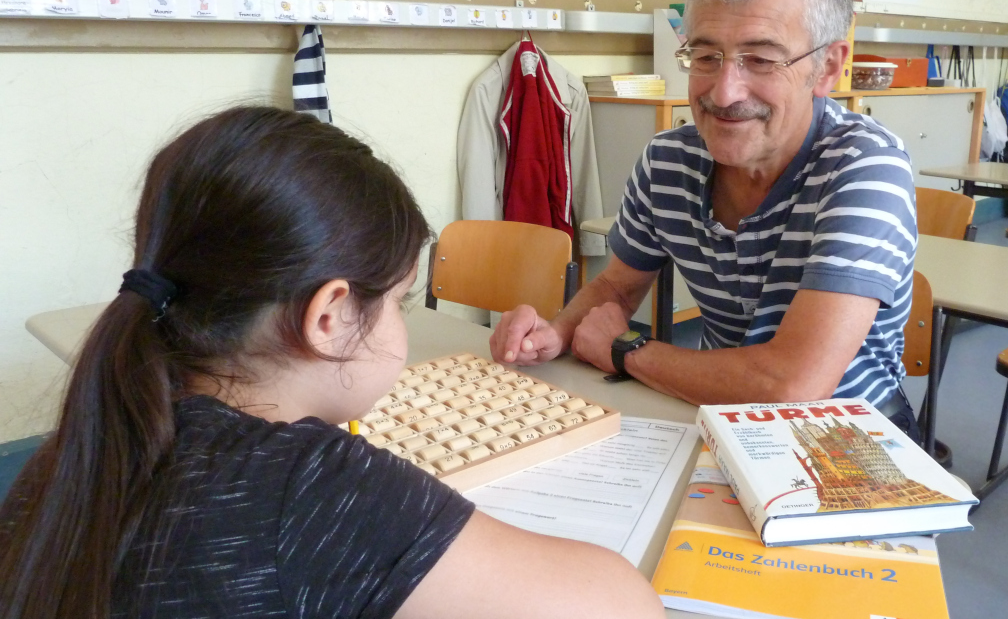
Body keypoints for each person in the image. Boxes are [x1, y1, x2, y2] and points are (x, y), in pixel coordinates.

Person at [0, 107, 662, 619]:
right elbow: (625, 605)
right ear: (330, 316)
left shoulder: (73, 452)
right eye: (399, 300)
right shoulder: (310, 488)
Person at [491, 0, 919, 438]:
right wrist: (556, 334)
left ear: (826, 68)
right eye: (706, 56)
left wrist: (627, 350)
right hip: (717, 419)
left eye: (761, 59)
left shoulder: (865, 168)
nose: (724, 90)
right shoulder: (668, 160)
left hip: (852, 441)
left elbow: (792, 386)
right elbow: (615, 286)